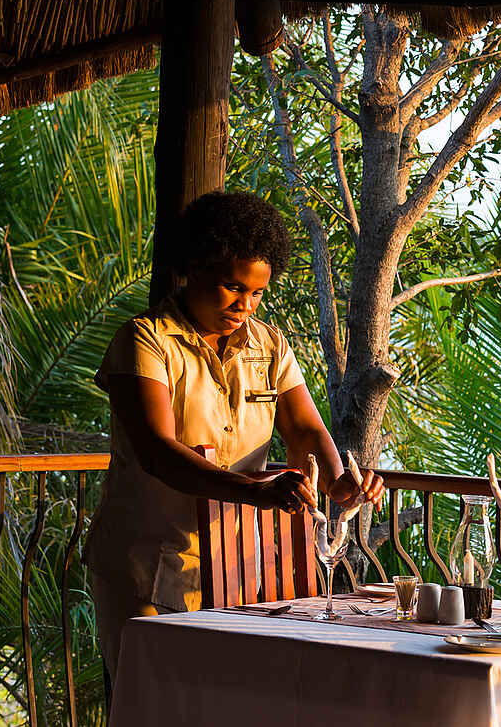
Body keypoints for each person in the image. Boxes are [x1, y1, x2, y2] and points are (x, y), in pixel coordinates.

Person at [85, 190, 385, 683]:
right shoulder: (144, 340)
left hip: (235, 571)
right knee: (154, 709)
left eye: (257, 293)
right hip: (146, 569)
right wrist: (254, 490)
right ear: (193, 268)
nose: (245, 305)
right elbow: (157, 451)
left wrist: (338, 482)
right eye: (232, 287)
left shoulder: (270, 345)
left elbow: (304, 428)